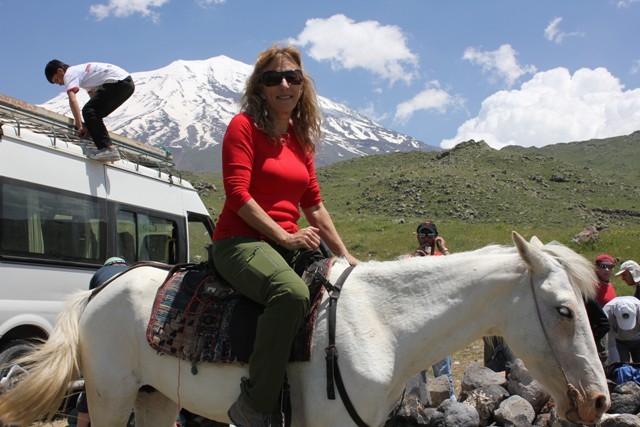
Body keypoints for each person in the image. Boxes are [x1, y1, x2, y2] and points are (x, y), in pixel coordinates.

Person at [210, 45, 358, 426]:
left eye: (293, 76)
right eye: (273, 78)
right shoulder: (243, 127)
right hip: (239, 241)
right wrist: (286, 236)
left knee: (343, 288)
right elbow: (237, 194)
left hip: (284, 242)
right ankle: (255, 406)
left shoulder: (300, 140)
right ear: (259, 87)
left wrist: (347, 256)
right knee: (290, 295)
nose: (284, 84)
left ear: (302, 84)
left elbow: (315, 206)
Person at [44, 60, 135, 162]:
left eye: (57, 80)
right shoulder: (82, 73)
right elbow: (94, 98)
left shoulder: (69, 74)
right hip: (127, 84)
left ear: (60, 71)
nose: (60, 84)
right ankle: (105, 146)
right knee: (94, 113)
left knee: (88, 110)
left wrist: (80, 126)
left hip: (118, 82)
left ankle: (108, 149)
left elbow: (72, 100)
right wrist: (89, 124)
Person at [75, 257, 129, 427]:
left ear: (107, 266)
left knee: (91, 386)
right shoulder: (132, 271)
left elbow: (92, 308)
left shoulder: (99, 274)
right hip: (131, 336)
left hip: (107, 335)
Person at [411, 221, 455, 400]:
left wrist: (443, 248)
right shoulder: (411, 259)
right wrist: (414, 261)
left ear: (436, 237)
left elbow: (455, 270)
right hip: (417, 325)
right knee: (418, 371)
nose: (426, 239)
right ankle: (421, 404)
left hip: (439, 324)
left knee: (443, 369)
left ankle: (449, 403)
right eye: (423, 235)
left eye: (430, 235)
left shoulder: (442, 259)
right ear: (417, 237)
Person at [603, 296, 640, 363]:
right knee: (622, 366)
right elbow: (610, 342)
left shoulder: (639, 307)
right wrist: (616, 364)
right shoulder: (607, 312)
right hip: (619, 342)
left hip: (638, 340)